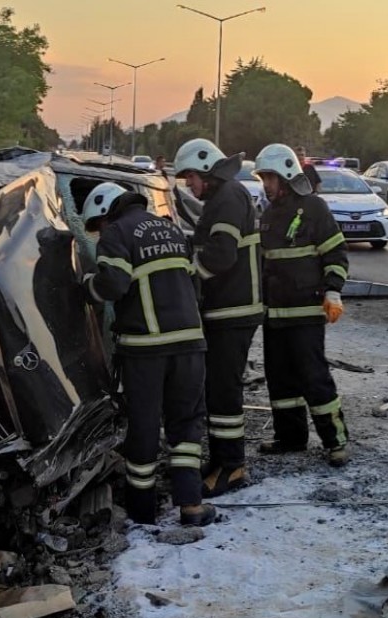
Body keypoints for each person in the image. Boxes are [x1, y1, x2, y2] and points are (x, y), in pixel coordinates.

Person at [79, 182, 216, 526]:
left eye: (97, 227)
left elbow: (113, 284)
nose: (99, 235)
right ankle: (191, 506)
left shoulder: (117, 234)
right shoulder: (170, 228)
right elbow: (194, 283)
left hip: (146, 350)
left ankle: (142, 511)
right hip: (190, 343)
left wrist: (83, 287)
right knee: (185, 424)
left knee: (144, 426)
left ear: (106, 214)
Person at [173, 138, 263, 497]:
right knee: (217, 389)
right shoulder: (223, 198)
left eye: (191, 177)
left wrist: (187, 277)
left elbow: (221, 255)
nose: (189, 185)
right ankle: (223, 460)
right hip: (227, 310)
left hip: (233, 310)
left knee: (224, 392)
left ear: (207, 169)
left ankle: (232, 466)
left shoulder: (227, 197)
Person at [253, 143, 351, 467]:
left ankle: (336, 441)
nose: (266, 184)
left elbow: (335, 255)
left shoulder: (314, 209)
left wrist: (333, 290)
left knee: (314, 377)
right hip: (275, 317)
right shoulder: (267, 215)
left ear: (287, 175)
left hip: (306, 314)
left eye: (270, 177)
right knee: (280, 380)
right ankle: (290, 438)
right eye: (263, 177)